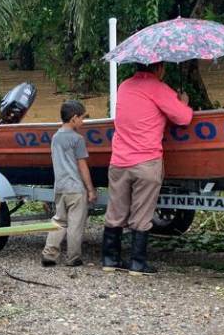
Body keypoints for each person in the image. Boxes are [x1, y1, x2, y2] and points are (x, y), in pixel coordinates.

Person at [101, 62, 193, 275]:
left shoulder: (124, 86)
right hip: (146, 161)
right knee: (142, 213)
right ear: (158, 68)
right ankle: (137, 263)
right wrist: (184, 102)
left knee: (116, 211)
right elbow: (183, 117)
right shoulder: (159, 89)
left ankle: (109, 259)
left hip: (119, 160)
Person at [42, 101, 97, 267]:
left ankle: (49, 255)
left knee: (59, 221)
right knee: (75, 225)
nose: (83, 121)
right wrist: (90, 189)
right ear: (74, 118)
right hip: (75, 189)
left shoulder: (55, 137)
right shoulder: (77, 139)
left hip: (60, 188)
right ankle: (73, 258)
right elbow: (82, 166)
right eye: (82, 118)